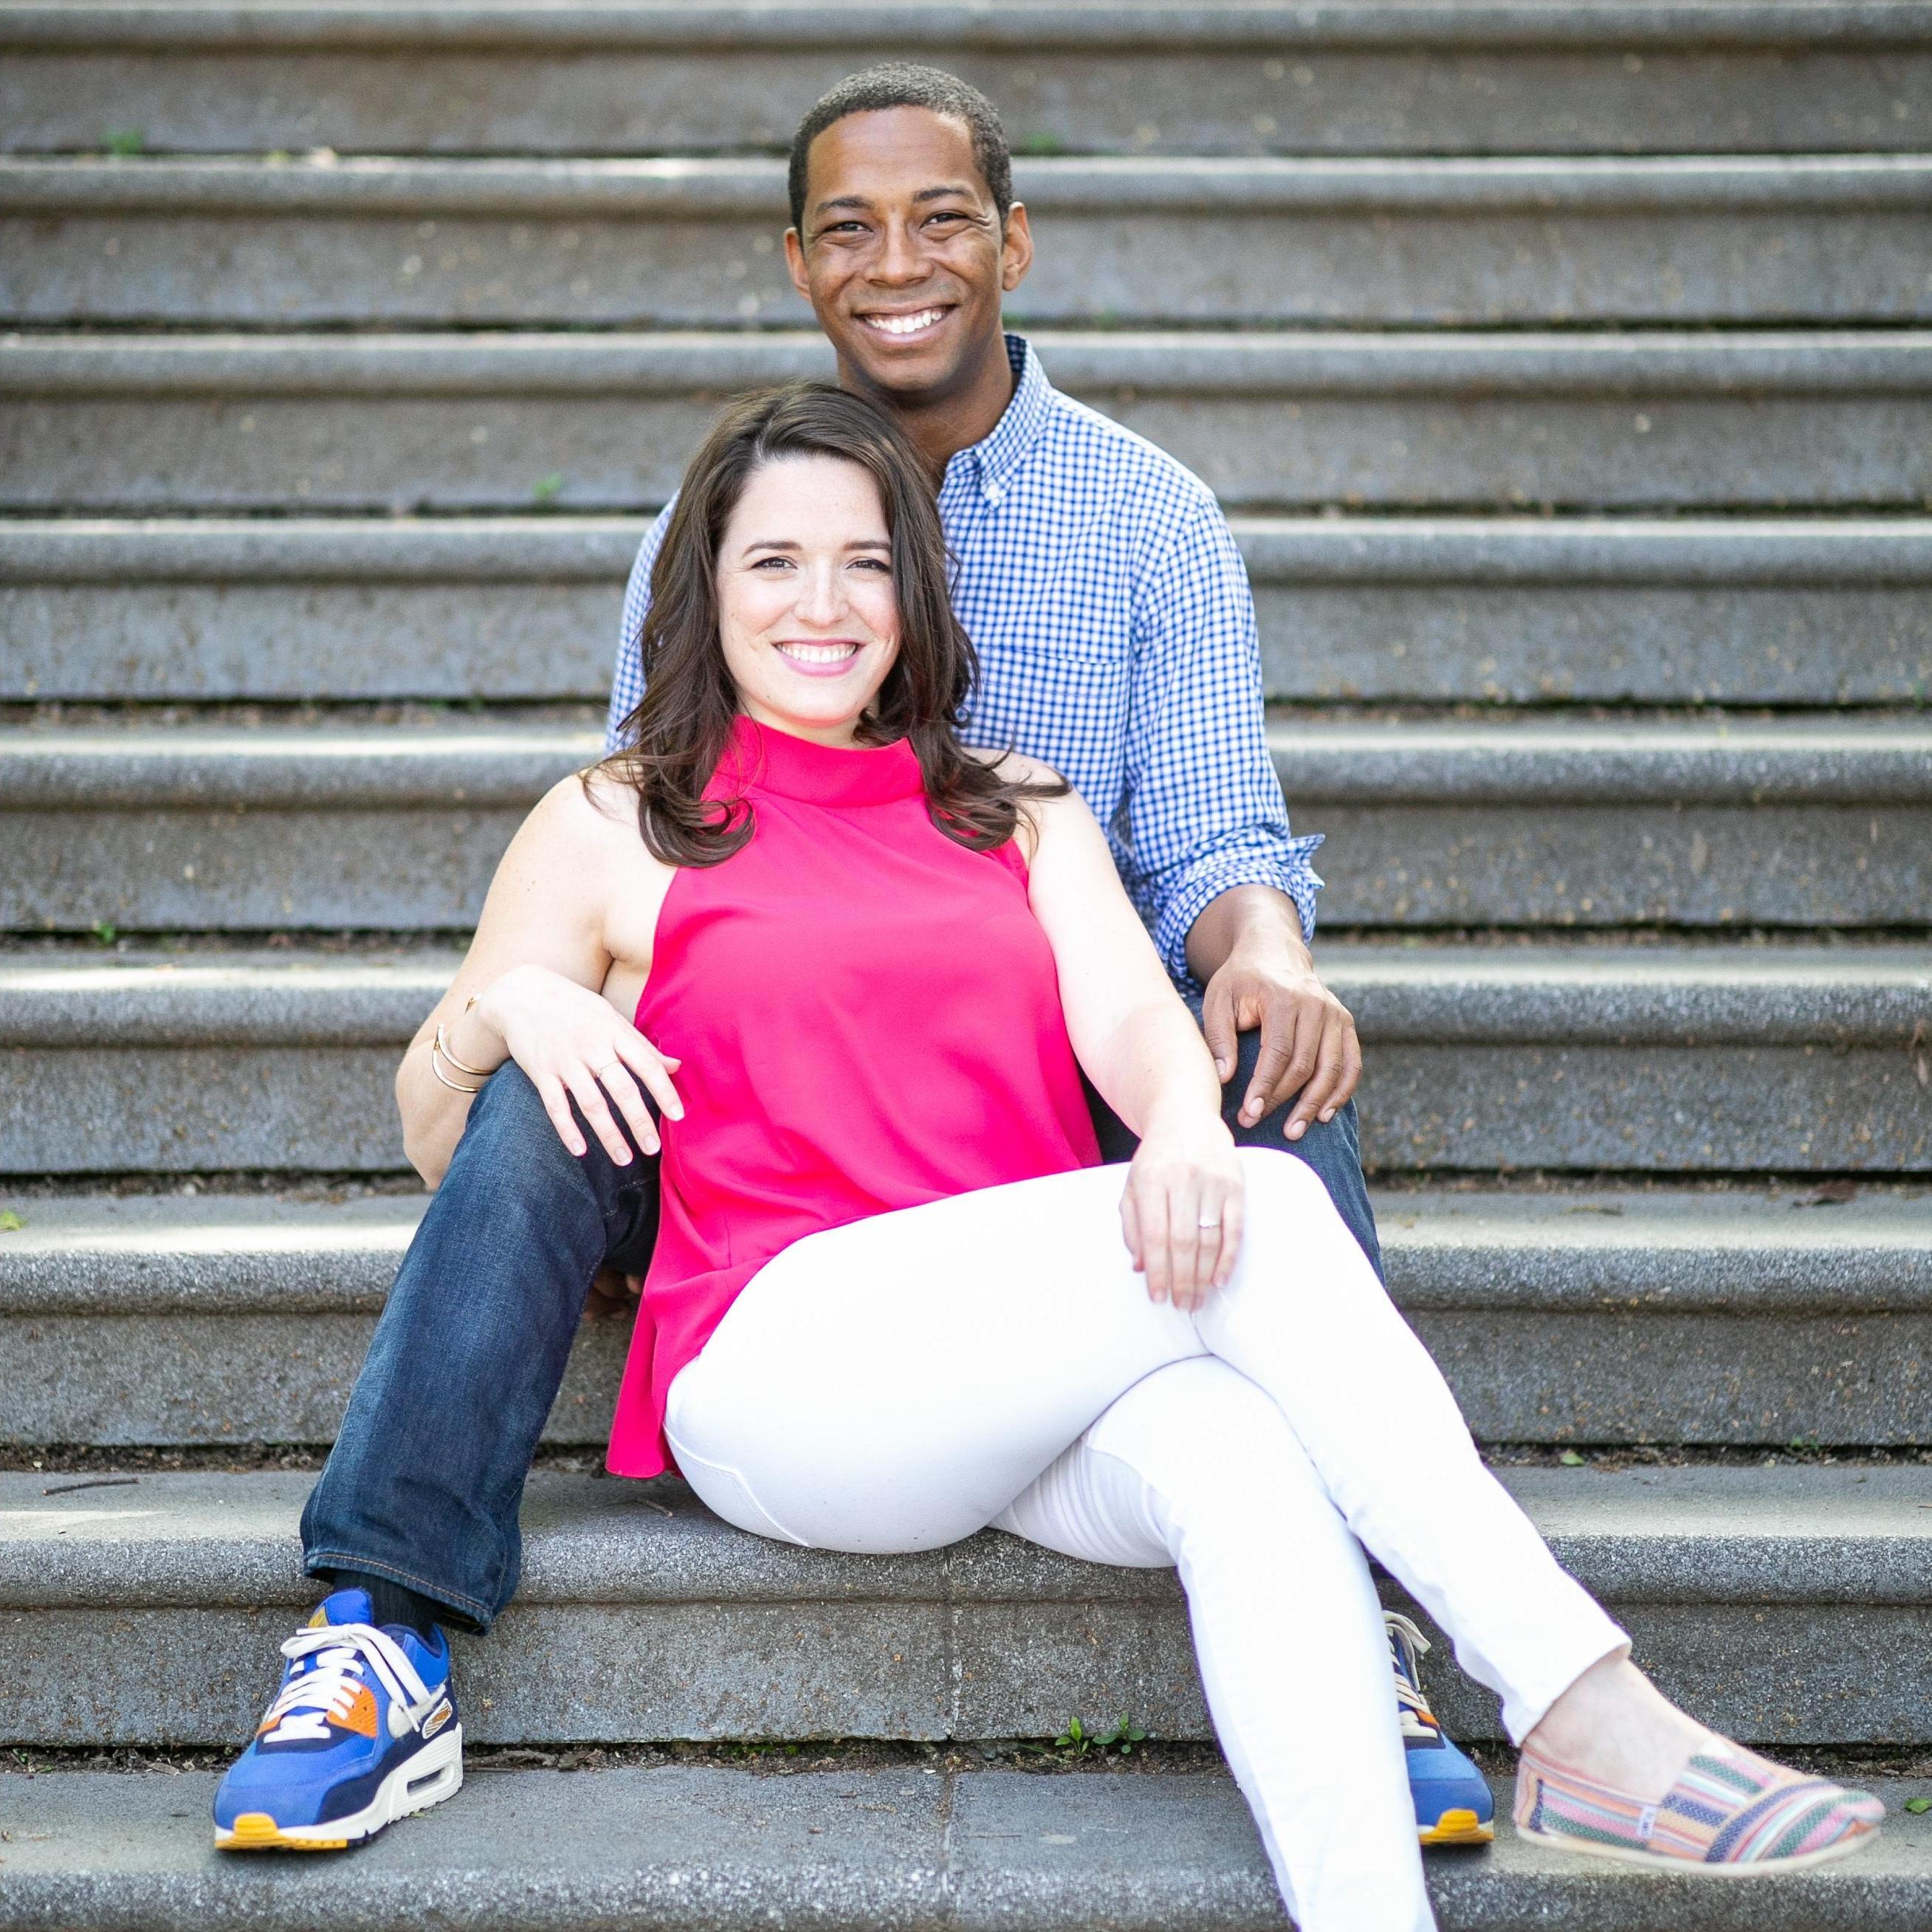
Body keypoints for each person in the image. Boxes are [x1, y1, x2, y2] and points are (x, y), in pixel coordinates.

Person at [213, 385, 1881, 1931]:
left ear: (916, 593)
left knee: (1243, 1459)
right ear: (703, 589)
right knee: (1279, 1226)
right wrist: (512, 1000)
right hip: (780, 1370)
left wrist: (1169, 1118)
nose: (822, 602)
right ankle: (1579, 1710)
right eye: (774, 560)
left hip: (1011, 1381)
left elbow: (1136, 1022)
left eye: (865, 562)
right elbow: (448, 1147)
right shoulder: (614, 817)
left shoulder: (1016, 807)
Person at [603, 61, 1493, 1837]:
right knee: (545, 1087)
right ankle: (389, 1597)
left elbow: (1222, 838)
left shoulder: (1147, 514)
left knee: (1272, 1088)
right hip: (788, 1090)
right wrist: (531, 1007)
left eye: (942, 217)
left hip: (1058, 1064)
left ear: (1012, 240)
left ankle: (1367, 1622)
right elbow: (656, 823)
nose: (898, 260)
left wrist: (1267, 954)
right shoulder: (715, 524)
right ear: (797, 264)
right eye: (848, 228)